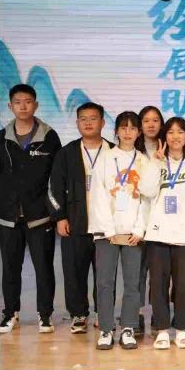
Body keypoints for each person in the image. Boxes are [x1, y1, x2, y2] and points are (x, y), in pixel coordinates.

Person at [140, 117, 185, 349]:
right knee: (158, 284)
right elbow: (146, 191)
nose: (175, 137)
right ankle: (161, 329)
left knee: (183, 284)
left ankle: (181, 328)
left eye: (180, 132)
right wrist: (155, 163)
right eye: (170, 132)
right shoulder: (156, 162)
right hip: (158, 233)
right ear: (164, 137)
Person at [0, 84, 61, 334]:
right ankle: (9, 313)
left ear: (35, 105)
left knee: (44, 269)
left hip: (40, 217)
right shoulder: (1, 138)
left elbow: (57, 178)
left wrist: (54, 211)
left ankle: (44, 315)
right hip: (8, 217)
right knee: (10, 268)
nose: (23, 106)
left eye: (27, 101)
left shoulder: (49, 137)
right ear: (10, 106)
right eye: (17, 102)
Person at [48, 102, 114, 334]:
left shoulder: (114, 152)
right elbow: (54, 187)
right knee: (74, 272)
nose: (88, 123)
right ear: (77, 123)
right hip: (75, 223)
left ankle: (103, 313)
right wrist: (60, 217)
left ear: (102, 123)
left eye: (93, 118)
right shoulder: (66, 153)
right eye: (83, 119)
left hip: (106, 226)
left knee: (105, 274)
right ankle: (78, 314)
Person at [89, 110, 151, 350]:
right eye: (123, 128)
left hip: (133, 234)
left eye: (132, 128)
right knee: (105, 282)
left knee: (133, 283)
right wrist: (108, 229)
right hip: (107, 233)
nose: (128, 132)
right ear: (116, 131)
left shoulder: (144, 161)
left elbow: (146, 198)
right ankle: (106, 329)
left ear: (138, 132)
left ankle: (128, 327)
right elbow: (98, 194)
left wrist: (139, 229)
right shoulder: (106, 158)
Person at [136, 105, 166, 333]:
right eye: (146, 120)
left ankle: (159, 312)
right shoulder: (131, 150)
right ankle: (135, 313)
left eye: (155, 120)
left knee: (159, 273)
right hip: (137, 219)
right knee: (137, 271)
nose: (151, 124)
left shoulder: (170, 147)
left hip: (161, 219)